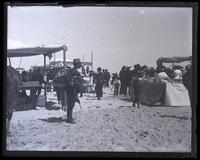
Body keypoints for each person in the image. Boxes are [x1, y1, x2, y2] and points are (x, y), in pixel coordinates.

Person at [64, 58, 83, 124]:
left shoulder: (76, 71)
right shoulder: (71, 71)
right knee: (71, 104)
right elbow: (68, 79)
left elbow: (78, 80)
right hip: (71, 90)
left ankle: (70, 117)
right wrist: (72, 83)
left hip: (74, 89)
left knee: (72, 104)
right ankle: (69, 119)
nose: (80, 65)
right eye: (79, 64)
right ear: (76, 64)